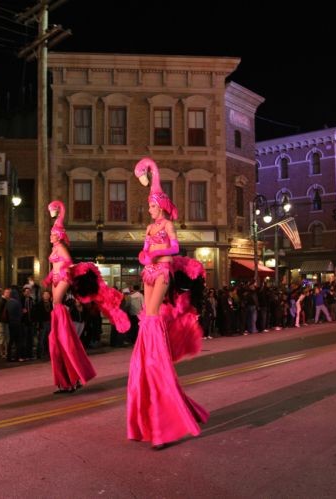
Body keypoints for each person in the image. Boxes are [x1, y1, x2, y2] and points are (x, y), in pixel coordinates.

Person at [127, 157, 208, 449]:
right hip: (148, 272)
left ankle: (155, 353)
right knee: (146, 317)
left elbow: (173, 248)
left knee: (151, 317)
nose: (148, 209)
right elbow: (144, 251)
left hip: (162, 271)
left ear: (160, 205)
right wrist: (145, 255)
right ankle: (148, 351)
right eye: (148, 205)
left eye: (151, 205)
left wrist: (154, 252)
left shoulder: (167, 225)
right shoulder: (149, 229)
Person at [43, 200, 97, 394]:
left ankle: (62, 330)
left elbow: (68, 263)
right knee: (55, 311)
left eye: (52, 234)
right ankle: (65, 380)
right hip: (57, 279)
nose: (50, 236)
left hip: (62, 278)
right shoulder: (54, 249)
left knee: (57, 304)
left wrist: (61, 277)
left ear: (58, 235)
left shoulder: (61, 248)